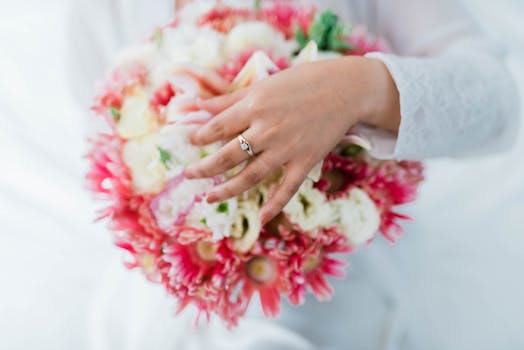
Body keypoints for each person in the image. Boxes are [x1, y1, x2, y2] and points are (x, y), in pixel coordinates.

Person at [68, 0, 522, 349]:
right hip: (174, 302)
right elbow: (106, 146)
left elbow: (498, 106)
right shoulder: (99, 11)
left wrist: (360, 89)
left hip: (341, 289)